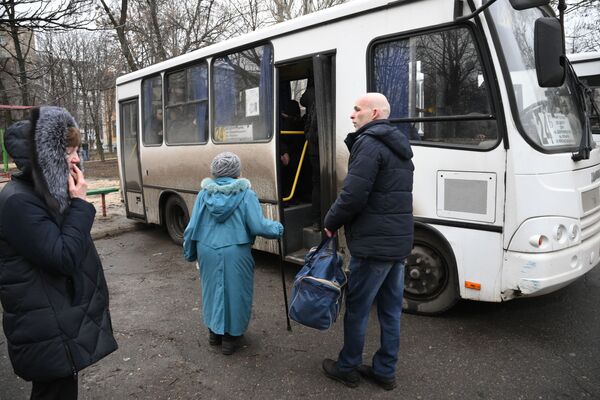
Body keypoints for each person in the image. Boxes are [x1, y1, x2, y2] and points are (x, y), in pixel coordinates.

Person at [0, 107, 118, 400]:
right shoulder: (18, 202)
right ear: (44, 157)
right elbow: (63, 257)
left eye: (77, 150)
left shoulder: (41, 193)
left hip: (56, 321)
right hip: (45, 328)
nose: (77, 158)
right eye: (68, 151)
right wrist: (80, 203)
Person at [321, 93, 414, 391]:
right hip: (396, 244)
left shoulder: (370, 144)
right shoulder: (399, 145)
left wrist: (330, 222)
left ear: (374, 113)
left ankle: (347, 366)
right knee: (389, 311)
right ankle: (385, 370)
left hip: (373, 246)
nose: (352, 115)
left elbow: (353, 195)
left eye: (357, 109)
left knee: (358, 309)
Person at [183, 152, 284, 355]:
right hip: (235, 250)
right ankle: (230, 339)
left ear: (215, 171)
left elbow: (192, 227)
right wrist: (278, 229)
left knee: (211, 290)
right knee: (237, 292)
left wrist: (191, 252)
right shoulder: (246, 193)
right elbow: (258, 226)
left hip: (207, 249)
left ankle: (214, 334)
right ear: (236, 171)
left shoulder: (204, 194)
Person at [300, 83, 321, 230]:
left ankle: (318, 220)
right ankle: (318, 219)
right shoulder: (317, 98)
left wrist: (308, 135)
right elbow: (308, 123)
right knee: (318, 184)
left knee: (318, 184)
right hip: (316, 149)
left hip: (315, 148)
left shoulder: (313, 97)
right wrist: (311, 136)